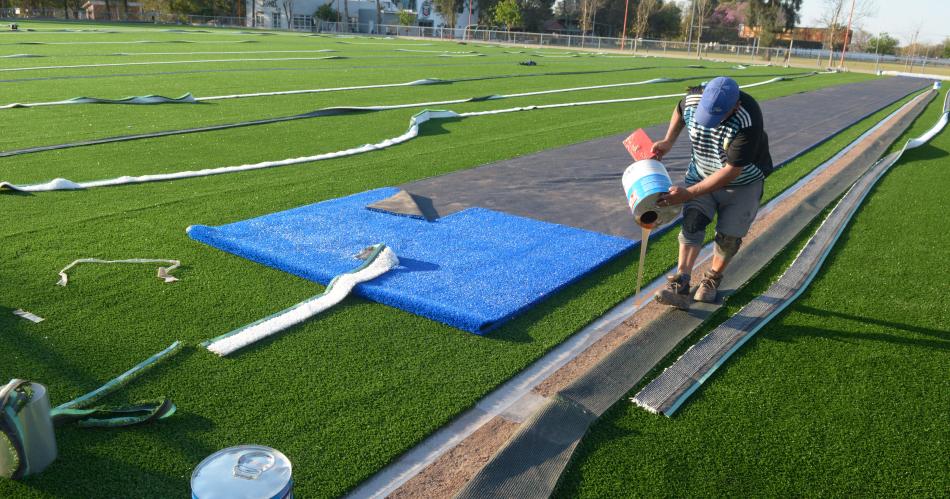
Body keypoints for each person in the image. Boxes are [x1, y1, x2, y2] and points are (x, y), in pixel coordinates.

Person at [650, 76, 772, 309]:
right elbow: (679, 108)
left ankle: (712, 278)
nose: (711, 122)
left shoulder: (748, 118)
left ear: (734, 106)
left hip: (742, 183)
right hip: (702, 172)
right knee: (693, 222)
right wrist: (668, 140)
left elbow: (731, 172)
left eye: (718, 117)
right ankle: (682, 284)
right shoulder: (694, 98)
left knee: (729, 236)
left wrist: (689, 193)